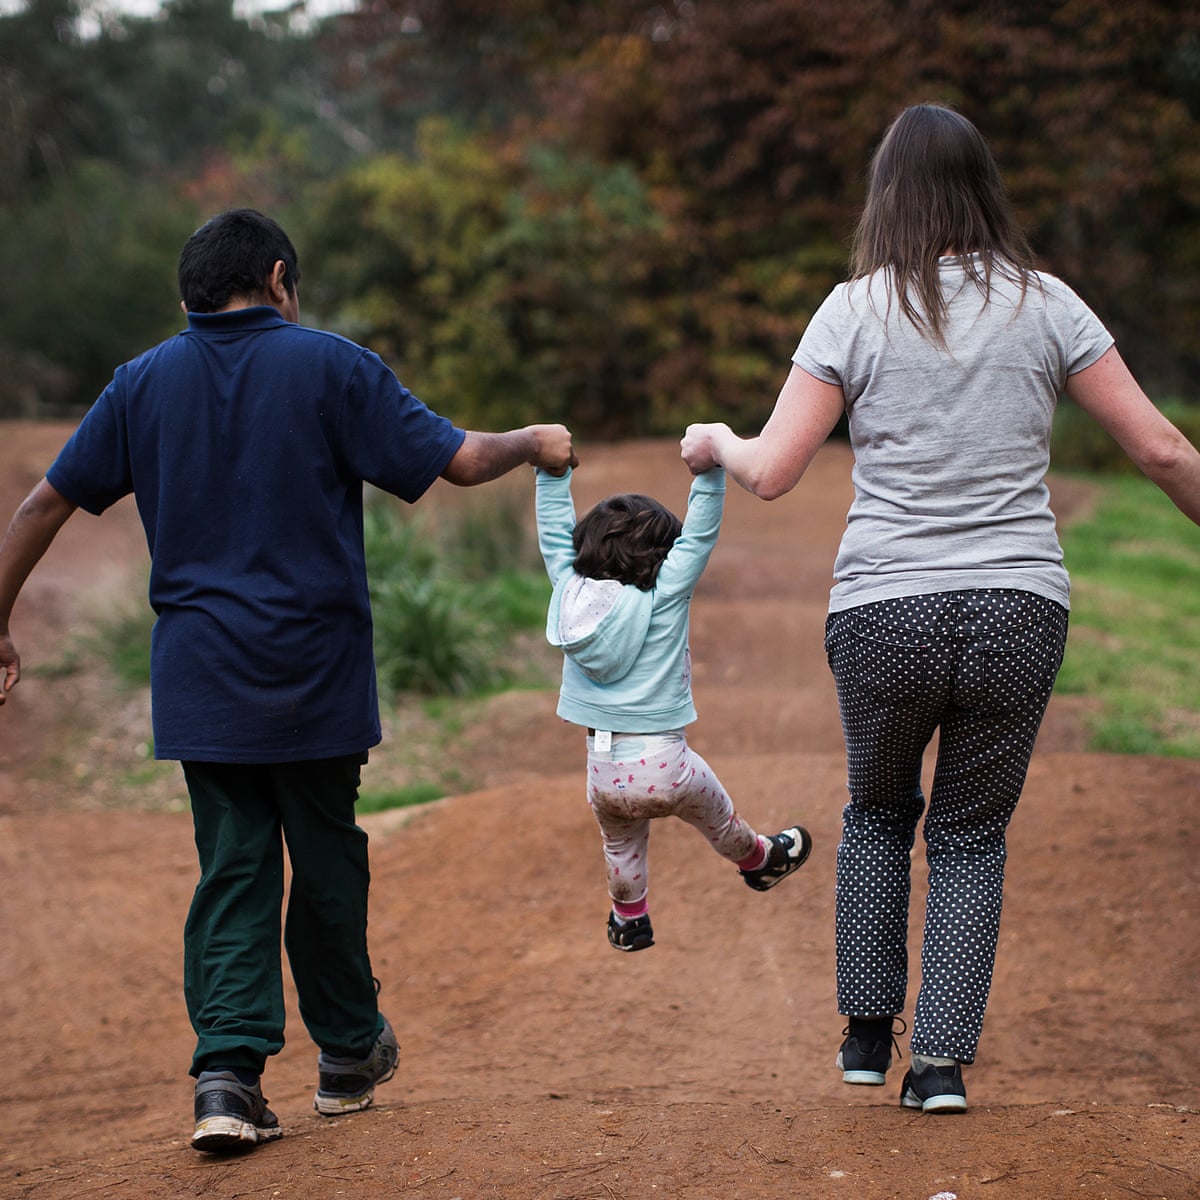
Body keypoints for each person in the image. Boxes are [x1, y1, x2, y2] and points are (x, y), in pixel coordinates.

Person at [0, 208, 576, 1153]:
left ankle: (226, 1082)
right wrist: (532, 440)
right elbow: (464, 460)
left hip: (201, 680)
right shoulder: (331, 366)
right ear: (277, 279)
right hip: (315, 674)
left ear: (191, 291)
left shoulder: (139, 383)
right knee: (325, 858)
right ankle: (347, 1056)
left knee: (233, 867)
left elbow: (42, 502)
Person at [680, 103, 1200, 1112]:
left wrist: (715, 442)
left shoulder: (853, 309)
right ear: (983, 190)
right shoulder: (1047, 305)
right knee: (970, 835)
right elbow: (1162, 451)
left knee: (878, 813)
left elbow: (776, 470)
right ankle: (941, 1066)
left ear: (888, 196)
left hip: (884, 612)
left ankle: (868, 1039)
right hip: (1018, 609)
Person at [535, 463, 811, 952]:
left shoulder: (568, 592)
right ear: (662, 557)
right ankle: (759, 860)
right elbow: (699, 537)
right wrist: (709, 473)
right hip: (668, 765)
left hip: (602, 772)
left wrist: (551, 476)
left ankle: (629, 919)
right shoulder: (663, 596)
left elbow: (554, 539)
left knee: (620, 844)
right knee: (720, 820)